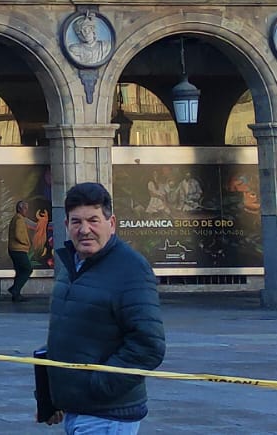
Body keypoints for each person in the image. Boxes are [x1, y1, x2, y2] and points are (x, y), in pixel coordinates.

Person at [41, 182, 166, 433]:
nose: (84, 230)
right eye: (76, 222)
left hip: (107, 415)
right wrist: (51, 397)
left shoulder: (130, 269)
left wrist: (97, 386)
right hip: (78, 409)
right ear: (66, 225)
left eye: (93, 220)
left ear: (112, 223)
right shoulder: (71, 265)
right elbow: (67, 336)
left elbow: (148, 345)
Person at [7, 201, 37, 302]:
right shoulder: (19, 219)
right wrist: (26, 243)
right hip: (18, 249)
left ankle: (16, 294)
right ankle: (14, 289)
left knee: (19, 271)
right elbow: (18, 235)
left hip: (15, 249)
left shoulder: (17, 218)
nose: (26, 210)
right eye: (25, 208)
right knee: (27, 269)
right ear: (20, 209)